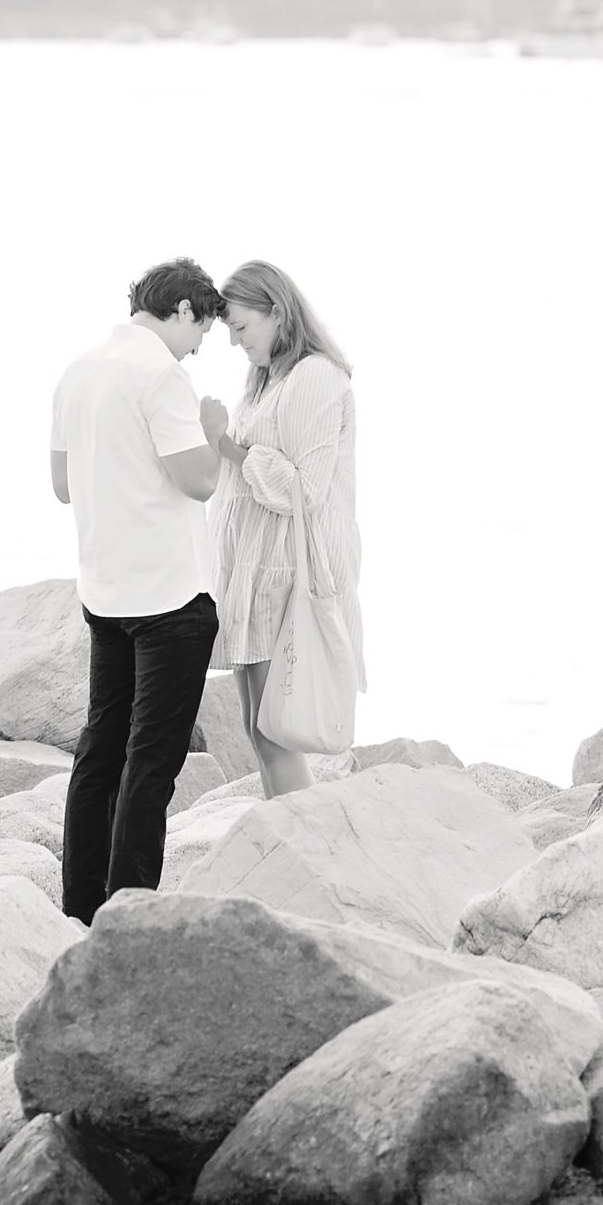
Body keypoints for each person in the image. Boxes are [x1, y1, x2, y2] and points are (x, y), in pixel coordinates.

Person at [49, 257, 231, 924]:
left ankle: (76, 908)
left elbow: (64, 486)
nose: (198, 346)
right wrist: (215, 432)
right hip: (171, 600)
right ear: (182, 310)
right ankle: (126, 912)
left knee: (100, 754)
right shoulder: (162, 376)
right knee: (150, 764)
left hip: (106, 595)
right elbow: (200, 481)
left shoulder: (79, 372)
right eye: (201, 331)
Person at [209, 260, 366, 799]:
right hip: (252, 573)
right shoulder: (262, 380)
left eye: (240, 326)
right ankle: (288, 842)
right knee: (259, 730)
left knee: (278, 732)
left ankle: (307, 849)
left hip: (288, 572)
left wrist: (227, 447)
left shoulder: (316, 377)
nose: (233, 341)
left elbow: (304, 487)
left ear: (276, 311)